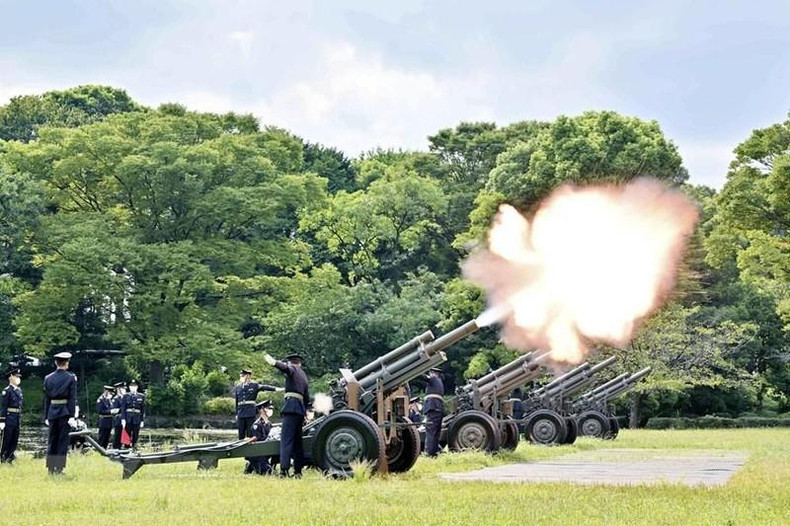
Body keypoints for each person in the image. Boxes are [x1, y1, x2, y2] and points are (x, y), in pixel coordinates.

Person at [263, 352, 309, 478]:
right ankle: (298, 471)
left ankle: (284, 471)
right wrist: (304, 411)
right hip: (300, 410)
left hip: (290, 408)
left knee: (286, 441)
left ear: (291, 362)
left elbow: (285, 368)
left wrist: (274, 362)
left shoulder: (292, 369)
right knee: (297, 442)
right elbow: (307, 397)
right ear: (299, 362)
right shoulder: (304, 375)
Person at [43, 351, 78, 475]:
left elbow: (46, 399)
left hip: (52, 411)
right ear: (66, 363)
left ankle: (51, 468)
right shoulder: (70, 378)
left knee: (52, 440)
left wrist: (46, 416)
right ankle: (59, 468)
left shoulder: (48, 378)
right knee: (62, 441)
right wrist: (72, 416)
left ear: (55, 363)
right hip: (64, 412)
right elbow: (72, 398)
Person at [235, 369, 280, 439]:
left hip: (250, 412)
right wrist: (237, 413)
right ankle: (241, 447)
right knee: (241, 432)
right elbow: (237, 402)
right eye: (242, 376)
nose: (242, 377)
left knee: (250, 433)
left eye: (244, 375)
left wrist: (276, 389)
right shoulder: (238, 387)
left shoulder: (254, 385)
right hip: (241, 412)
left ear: (248, 376)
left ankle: (250, 447)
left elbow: (265, 387)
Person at [245, 400, 274, 475]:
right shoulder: (257, 424)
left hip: (266, 450)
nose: (270, 411)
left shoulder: (269, 424)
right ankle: (251, 465)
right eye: (268, 408)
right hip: (258, 452)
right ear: (262, 410)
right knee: (265, 472)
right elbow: (255, 438)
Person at [0, 367, 23, 464]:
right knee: (7, 439)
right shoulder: (7, 391)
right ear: (10, 377)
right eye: (16, 376)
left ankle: (10, 456)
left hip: (16, 417)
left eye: (18, 376)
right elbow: (3, 407)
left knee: (15, 438)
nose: (18, 378)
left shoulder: (19, 390)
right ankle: (3, 456)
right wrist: (2, 420)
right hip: (9, 418)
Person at [423, 367, 444, 457]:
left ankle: (429, 452)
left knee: (431, 431)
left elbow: (423, 377)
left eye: (431, 372)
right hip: (437, 408)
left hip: (432, 407)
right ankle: (434, 451)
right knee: (435, 432)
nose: (430, 374)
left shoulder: (434, 379)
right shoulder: (439, 382)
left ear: (434, 373)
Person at [121, 379, 145, 449]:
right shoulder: (125, 396)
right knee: (127, 433)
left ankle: (134, 447)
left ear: (137, 387)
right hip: (128, 418)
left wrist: (142, 420)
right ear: (129, 387)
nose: (133, 388)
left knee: (135, 434)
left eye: (134, 386)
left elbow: (143, 409)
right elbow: (123, 408)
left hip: (137, 418)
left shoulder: (141, 396)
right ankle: (126, 448)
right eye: (131, 386)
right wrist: (123, 419)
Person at [111, 381, 126, 449]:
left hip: (126, 419)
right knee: (118, 436)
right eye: (122, 388)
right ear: (118, 389)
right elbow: (113, 411)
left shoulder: (126, 398)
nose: (124, 390)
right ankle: (116, 449)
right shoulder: (116, 399)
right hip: (119, 420)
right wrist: (122, 409)